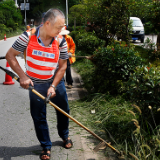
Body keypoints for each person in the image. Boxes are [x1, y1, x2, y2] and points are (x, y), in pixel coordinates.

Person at [5, 8, 73, 160]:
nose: (61, 30)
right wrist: (23, 77)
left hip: (55, 82)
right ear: (47, 23)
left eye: (62, 27)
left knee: (63, 110)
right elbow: (10, 55)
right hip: (35, 84)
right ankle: (46, 146)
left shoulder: (60, 40)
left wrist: (53, 86)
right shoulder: (27, 37)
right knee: (39, 116)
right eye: (58, 27)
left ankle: (64, 135)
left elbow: (62, 66)